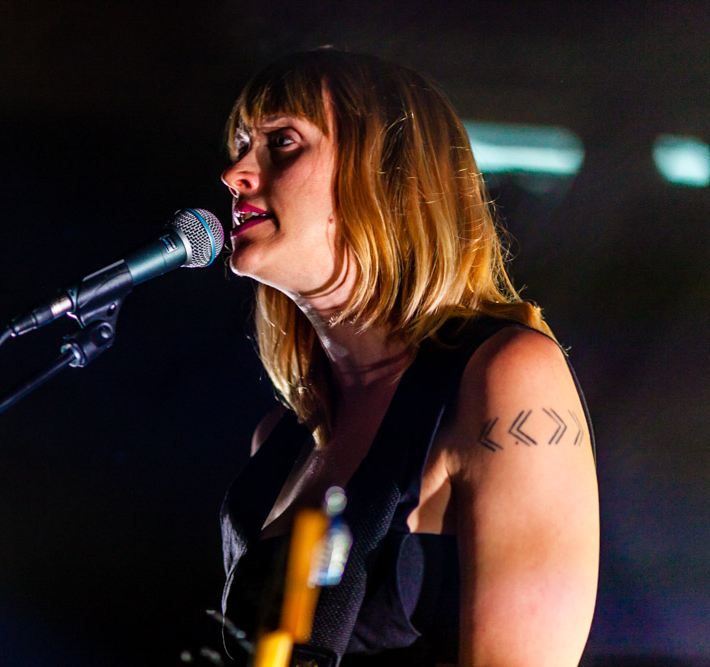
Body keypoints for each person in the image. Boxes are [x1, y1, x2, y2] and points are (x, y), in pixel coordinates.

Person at [217, 49, 599, 667]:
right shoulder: (281, 437)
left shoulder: (507, 378)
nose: (236, 173)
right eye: (239, 144)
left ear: (387, 175)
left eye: (282, 141)